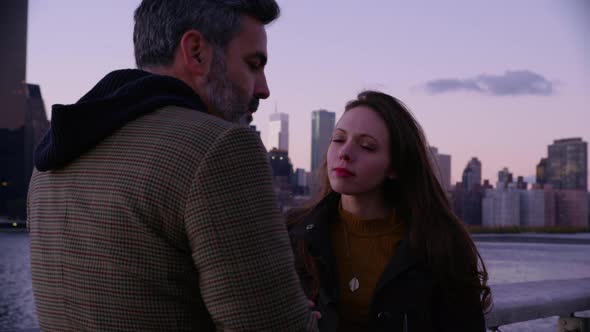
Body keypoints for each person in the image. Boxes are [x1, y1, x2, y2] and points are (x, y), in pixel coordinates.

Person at [27, 1, 318, 331]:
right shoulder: (220, 149)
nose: (264, 88)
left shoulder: (50, 163)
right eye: (253, 64)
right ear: (197, 52)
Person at [288, 91, 491, 332]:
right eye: (339, 139)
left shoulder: (439, 244)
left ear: (394, 167)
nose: (345, 153)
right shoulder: (293, 233)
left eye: (366, 146)